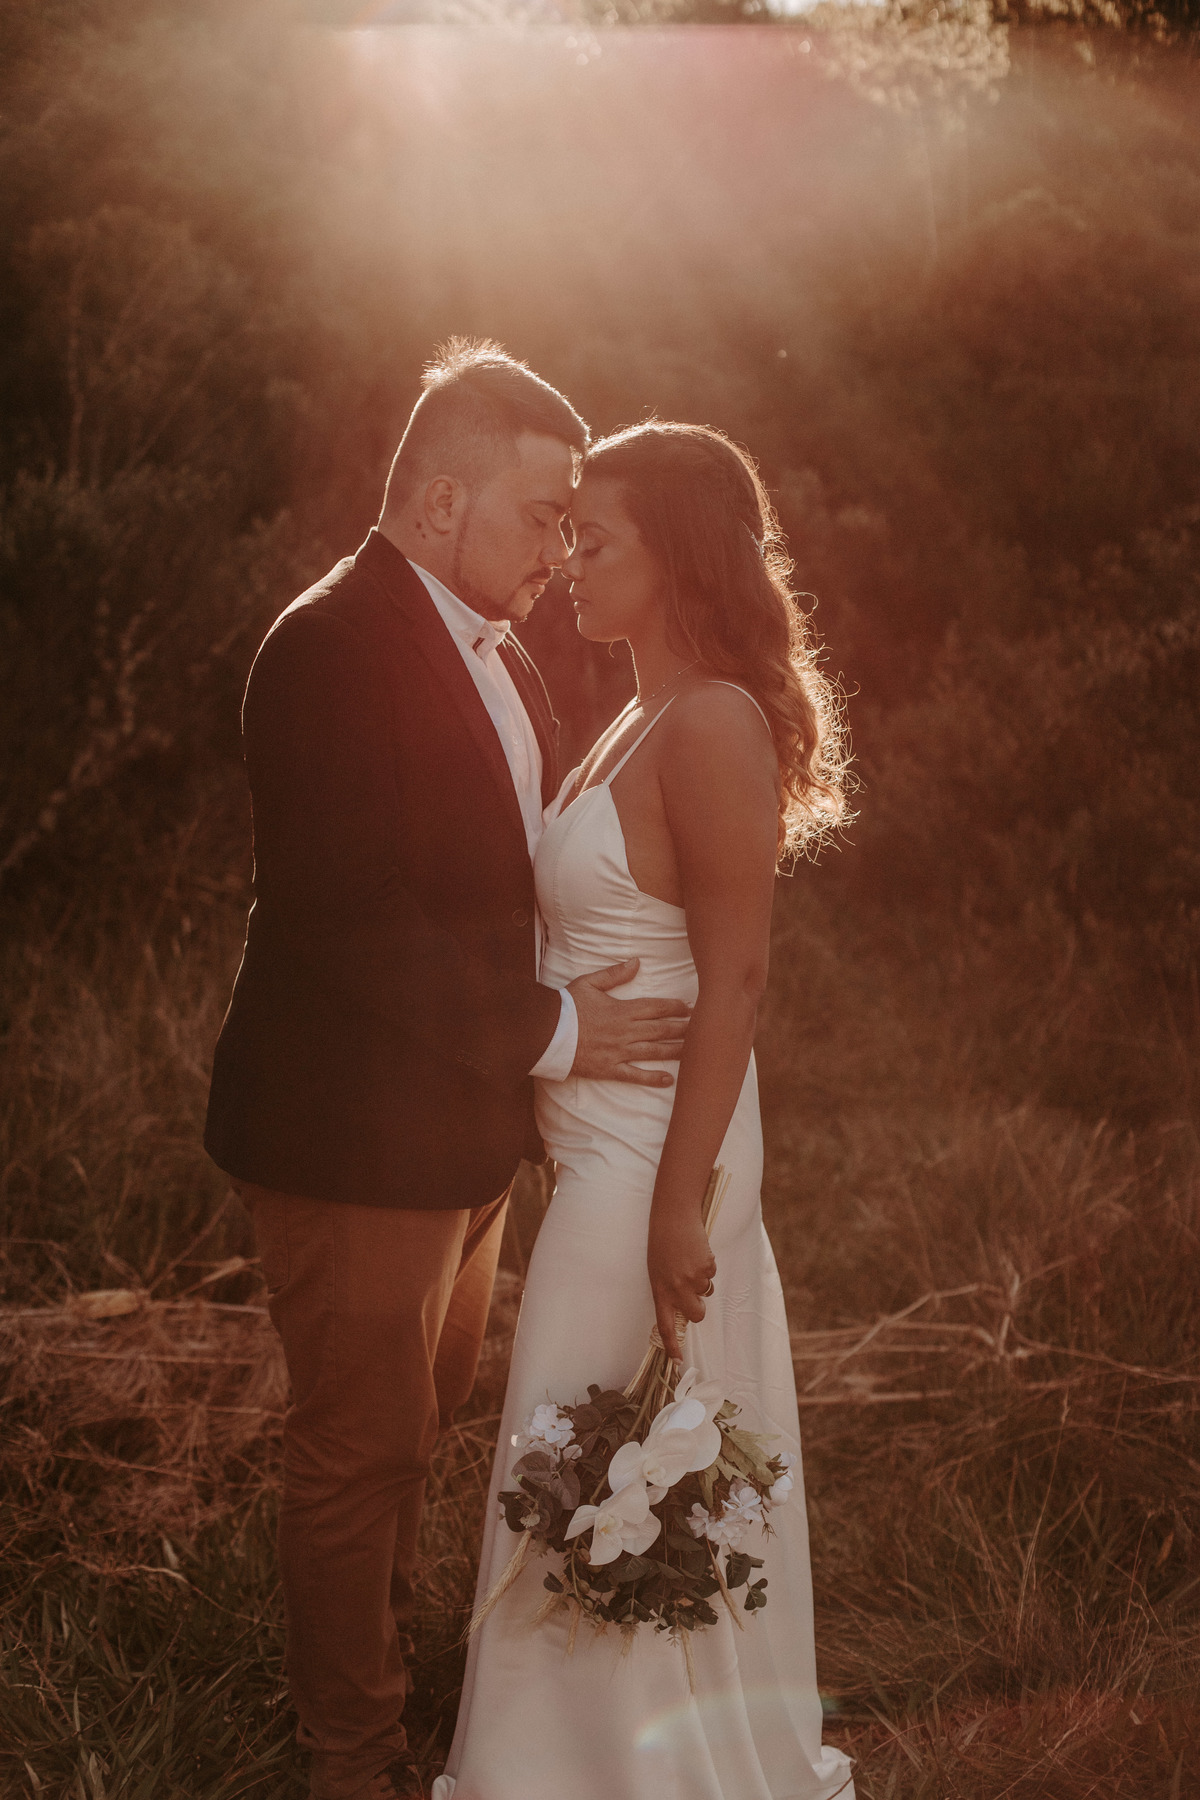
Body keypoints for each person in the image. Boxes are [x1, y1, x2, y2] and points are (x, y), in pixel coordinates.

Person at [203, 342, 692, 1800]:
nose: (561, 547)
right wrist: (557, 1034)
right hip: (350, 1149)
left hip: (465, 1150)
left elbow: (490, 887)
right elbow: (356, 918)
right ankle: (349, 1757)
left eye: (569, 524)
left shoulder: (502, 649)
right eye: (541, 513)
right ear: (436, 503)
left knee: (416, 1442)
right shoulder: (330, 645)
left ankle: (393, 1693)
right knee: (357, 1457)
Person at [434, 422, 855, 1800]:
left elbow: (736, 977)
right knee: (583, 1447)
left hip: (660, 1157)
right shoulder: (635, 712)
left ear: (673, 556)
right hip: (599, 1146)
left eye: (594, 538)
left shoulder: (717, 721)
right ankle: (577, 1762)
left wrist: (684, 1201)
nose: (566, 564)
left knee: (620, 1446)